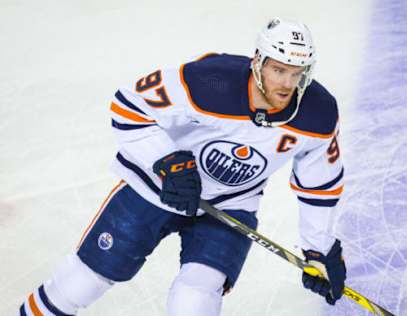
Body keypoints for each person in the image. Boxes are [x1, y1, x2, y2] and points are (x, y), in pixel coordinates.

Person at [19, 17, 346, 316]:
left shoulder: (317, 114)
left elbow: (320, 186)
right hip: (152, 190)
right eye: (279, 70)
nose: (288, 83)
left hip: (230, 207)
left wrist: (319, 251)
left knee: (195, 302)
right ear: (257, 62)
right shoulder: (209, 82)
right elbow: (128, 106)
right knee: (80, 283)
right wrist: (168, 163)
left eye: (296, 72)